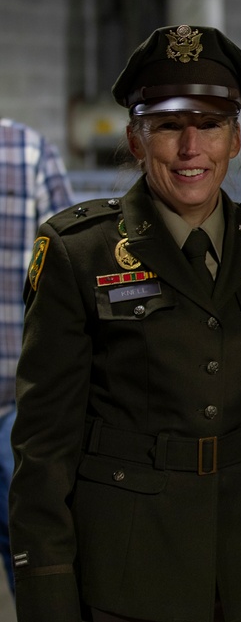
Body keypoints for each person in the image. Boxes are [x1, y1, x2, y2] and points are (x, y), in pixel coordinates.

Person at [9, 25, 241, 622]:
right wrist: (47, 589)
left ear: (236, 137)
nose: (192, 148)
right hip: (130, 568)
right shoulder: (80, 252)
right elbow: (44, 449)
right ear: (136, 140)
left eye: (212, 124)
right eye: (170, 126)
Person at [0, 117, 75, 594]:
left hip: (18, 409)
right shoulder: (26, 150)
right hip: (20, 401)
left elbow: (73, 267)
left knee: (36, 560)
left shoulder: (28, 153)